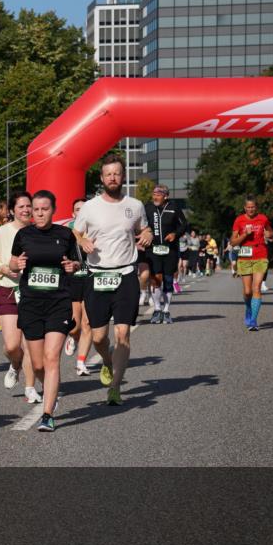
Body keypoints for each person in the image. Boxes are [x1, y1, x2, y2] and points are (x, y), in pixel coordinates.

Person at [74, 154, 152, 406]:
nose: (112, 178)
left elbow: (144, 228)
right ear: (102, 178)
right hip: (97, 276)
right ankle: (107, 362)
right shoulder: (89, 207)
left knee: (122, 334)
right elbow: (75, 230)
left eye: (117, 173)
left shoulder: (135, 205)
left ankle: (115, 388)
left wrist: (148, 234)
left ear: (123, 176)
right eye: (108, 174)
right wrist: (82, 239)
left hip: (125, 275)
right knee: (98, 337)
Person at [9, 190, 80, 431]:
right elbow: (12, 262)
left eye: (44, 208)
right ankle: (51, 392)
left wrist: (73, 266)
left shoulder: (65, 234)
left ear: (53, 209)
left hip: (58, 302)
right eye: (35, 209)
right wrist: (15, 265)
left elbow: (77, 261)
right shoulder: (23, 234)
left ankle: (47, 414)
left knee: (52, 358)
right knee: (38, 364)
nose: (39, 213)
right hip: (31, 302)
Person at [0, 191, 42, 404]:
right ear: (12, 210)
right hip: (8, 290)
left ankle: (30, 388)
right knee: (12, 346)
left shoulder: (39, 232)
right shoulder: (1, 233)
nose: (26, 210)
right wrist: (3, 269)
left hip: (34, 292)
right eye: (21, 207)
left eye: (29, 206)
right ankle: (14, 364)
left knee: (29, 344)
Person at [143, 184, 188, 325]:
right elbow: (140, 223)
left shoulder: (174, 207)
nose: (155, 196)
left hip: (170, 249)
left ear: (166, 196)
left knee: (168, 279)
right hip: (153, 249)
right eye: (154, 194)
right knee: (155, 279)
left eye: (158, 194)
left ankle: (166, 310)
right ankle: (157, 309)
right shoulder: (148, 207)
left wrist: (176, 233)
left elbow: (184, 224)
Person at [230, 196, 273, 331]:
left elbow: (271, 232)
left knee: (257, 288)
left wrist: (269, 234)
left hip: (260, 255)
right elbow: (233, 242)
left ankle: (253, 320)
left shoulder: (263, 218)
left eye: (253, 207)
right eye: (248, 207)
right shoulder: (239, 220)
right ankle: (249, 308)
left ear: (256, 207)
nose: (250, 209)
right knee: (247, 291)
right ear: (245, 208)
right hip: (244, 257)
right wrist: (244, 235)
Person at [63, 198, 93, 376]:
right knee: (75, 326)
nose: (81, 212)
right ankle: (73, 338)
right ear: (73, 213)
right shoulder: (67, 232)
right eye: (77, 210)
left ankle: (81, 362)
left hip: (90, 279)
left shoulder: (96, 230)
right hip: (73, 280)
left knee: (87, 323)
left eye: (84, 209)